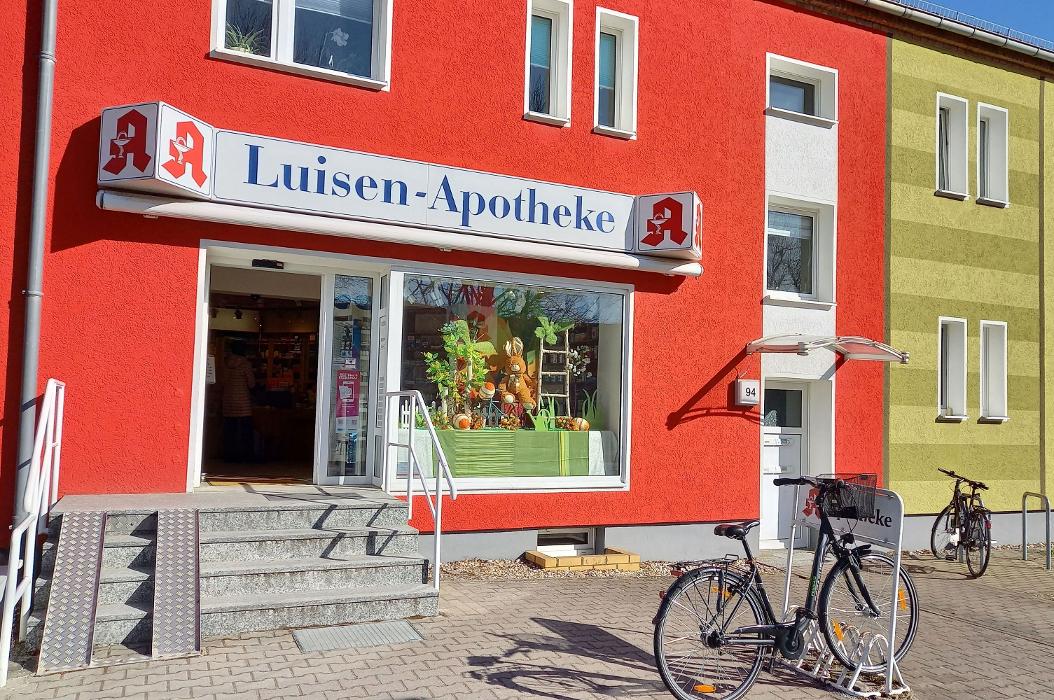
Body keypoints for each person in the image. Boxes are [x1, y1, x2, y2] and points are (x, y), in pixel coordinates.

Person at [222, 339, 256, 462]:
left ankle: (229, 455)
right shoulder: (245, 364)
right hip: (243, 403)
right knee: (244, 430)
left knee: (229, 430)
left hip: (227, 401)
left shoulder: (225, 363)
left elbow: (221, 381)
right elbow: (251, 383)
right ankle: (245, 456)